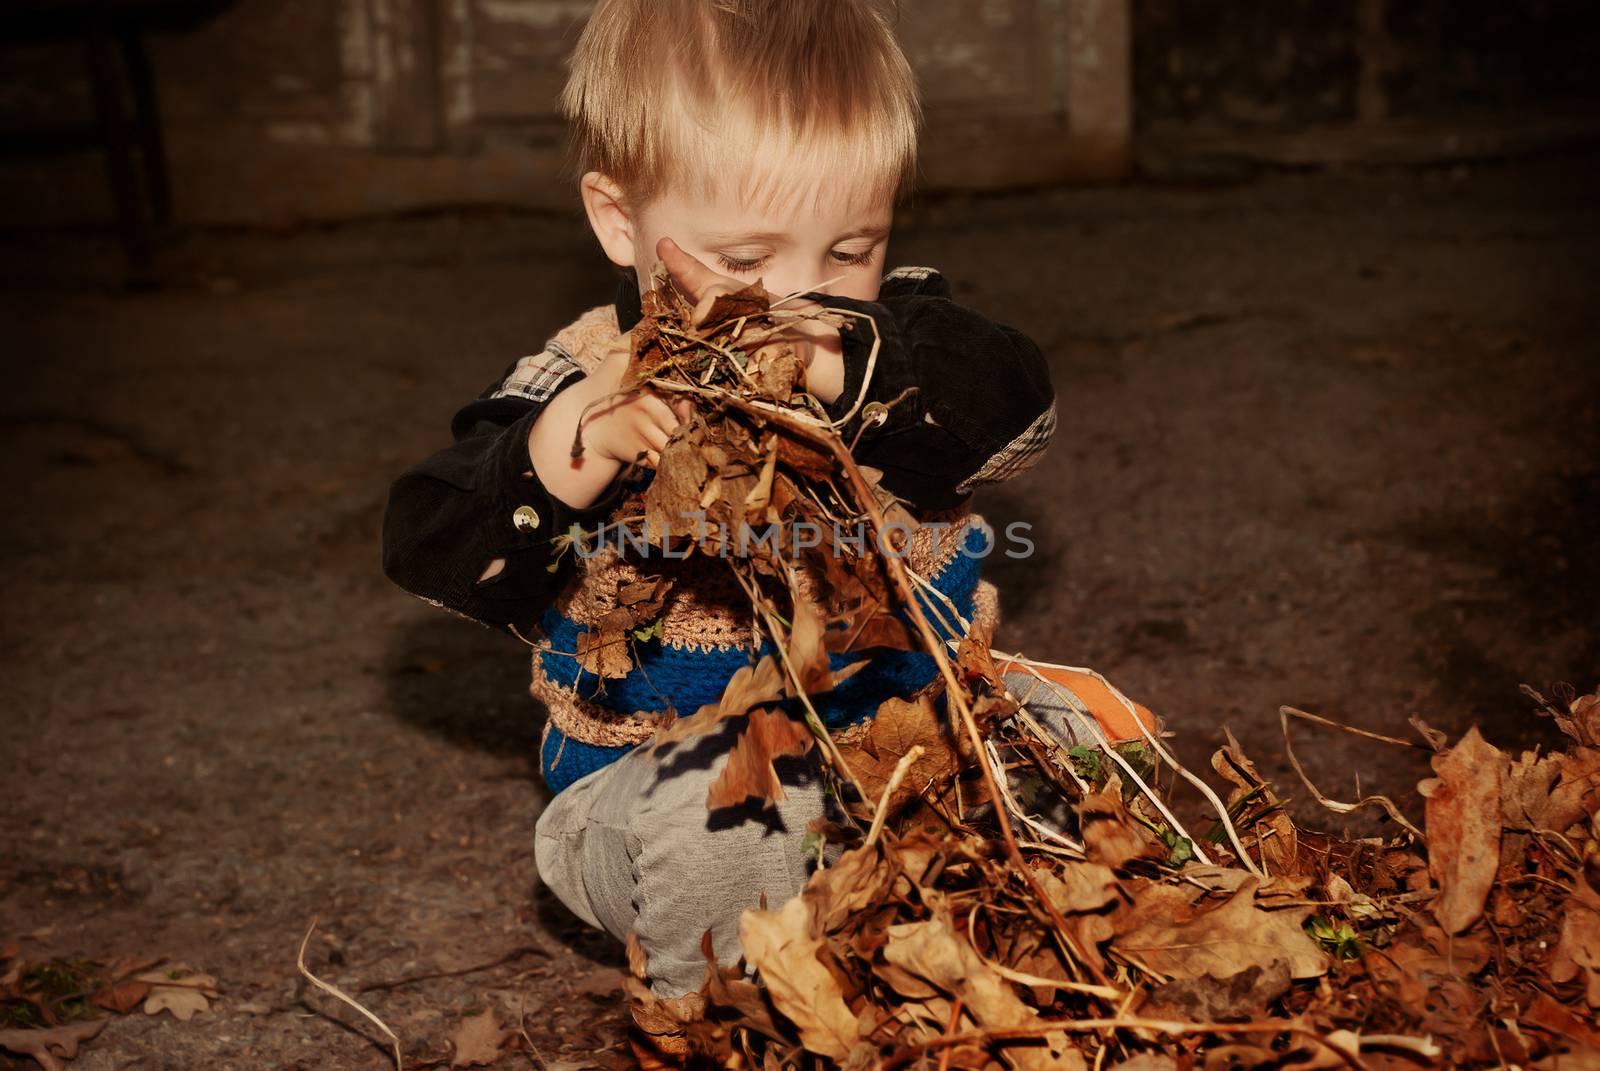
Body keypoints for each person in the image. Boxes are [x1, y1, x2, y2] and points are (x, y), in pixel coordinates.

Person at [381, 0, 1072, 1015]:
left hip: (905, 751)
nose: (793, 298)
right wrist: (579, 443)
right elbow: (432, 538)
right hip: (654, 788)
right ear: (620, 222)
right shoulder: (579, 379)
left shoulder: (898, 350)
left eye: (847, 252)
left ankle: (1003, 963)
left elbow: (1019, 407)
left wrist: (857, 366)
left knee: (1073, 729)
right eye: (744, 262)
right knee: (729, 820)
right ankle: (739, 1022)